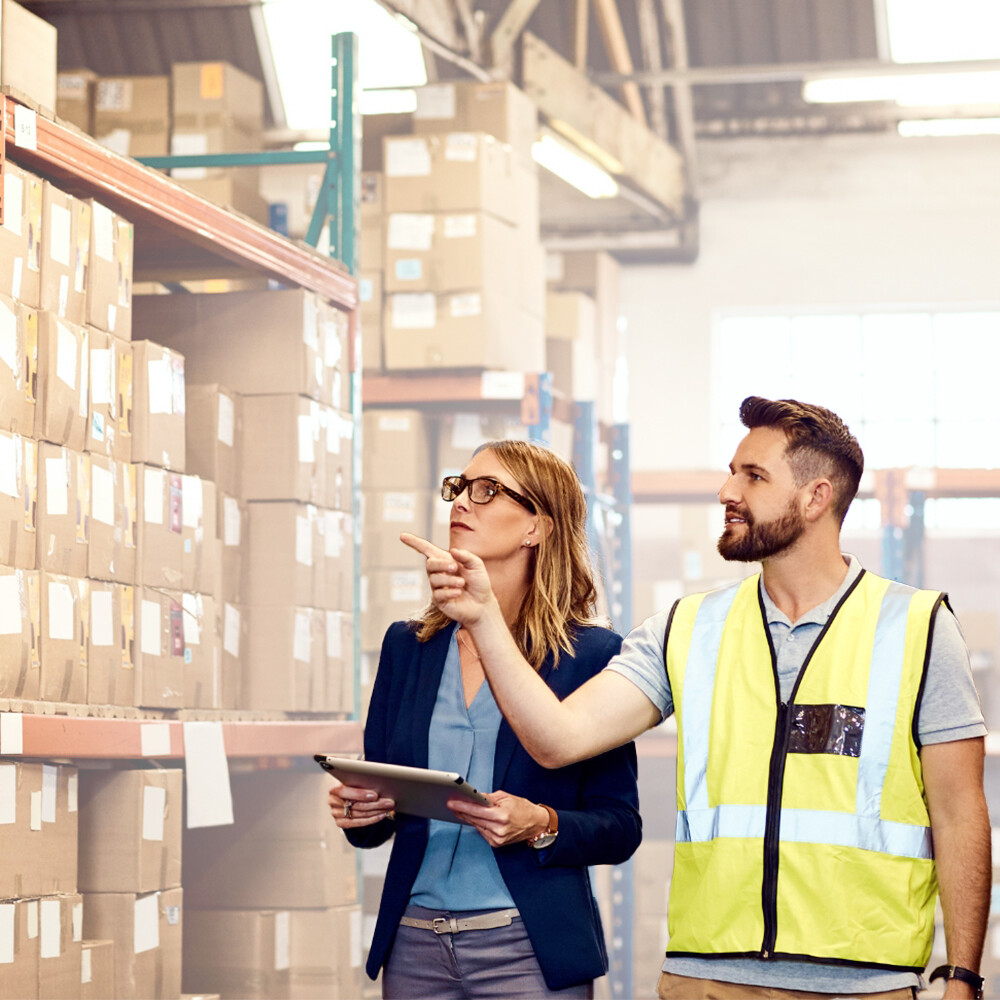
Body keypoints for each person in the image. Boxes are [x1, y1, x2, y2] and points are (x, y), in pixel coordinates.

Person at [403, 397, 991, 1000]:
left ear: (816, 497)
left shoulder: (917, 627)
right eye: (732, 470)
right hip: (706, 978)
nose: (726, 490)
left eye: (753, 476)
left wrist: (963, 974)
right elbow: (557, 740)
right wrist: (482, 617)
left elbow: (958, 814)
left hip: (864, 982)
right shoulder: (686, 629)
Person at [329, 439, 642, 999]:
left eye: (487, 491)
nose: (461, 503)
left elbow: (619, 826)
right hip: (415, 945)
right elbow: (381, 816)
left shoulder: (591, 657)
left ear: (537, 528)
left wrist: (541, 821)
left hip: (527, 949)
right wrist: (363, 812)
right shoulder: (409, 647)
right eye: (459, 487)